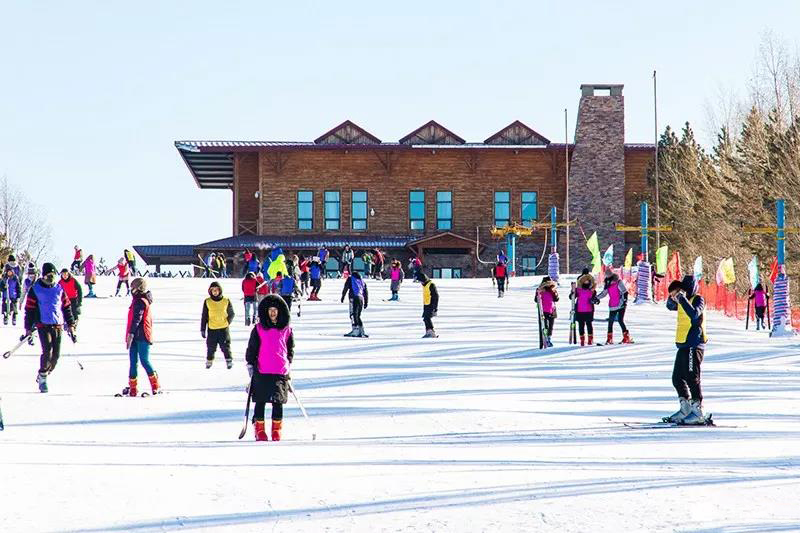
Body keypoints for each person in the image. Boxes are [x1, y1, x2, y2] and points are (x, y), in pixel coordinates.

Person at [245, 294, 294, 442]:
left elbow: (290, 349)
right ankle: (259, 430)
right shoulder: (259, 329)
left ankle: (276, 430)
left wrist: (288, 363)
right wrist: (250, 365)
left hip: (280, 371)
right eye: (270, 310)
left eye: (275, 310)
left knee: (278, 402)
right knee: (260, 401)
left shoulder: (286, 330)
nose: (273, 313)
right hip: (262, 370)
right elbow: (252, 348)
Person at [24, 263, 76, 393]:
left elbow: (67, 307)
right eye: (49, 275)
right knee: (47, 352)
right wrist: (28, 328)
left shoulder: (59, 289)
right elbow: (29, 309)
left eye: (53, 275)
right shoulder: (35, 289)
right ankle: (43, 378)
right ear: (43, 275)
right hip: (43, 325)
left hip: (57, 325)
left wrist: (71, 325)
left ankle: (46, 372)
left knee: (56, 356)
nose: (51, 278)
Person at [665, 275, 708, 425]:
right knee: (677, 378)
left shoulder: (697, 299)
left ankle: (698, 410)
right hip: (683, 344)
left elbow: (695, 315)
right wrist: (674, 298)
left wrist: (682, 299)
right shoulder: (681, 301)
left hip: (695, 343)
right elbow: (669, 305)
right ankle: (685, 408)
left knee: (692, 377)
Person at [125, 278, 160, 396]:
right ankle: (133, 387)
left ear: (138, 288)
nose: (131, 290)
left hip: (142, 335)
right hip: (135, 335)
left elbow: (137, 319)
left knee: (144, 360)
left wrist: (131, 334)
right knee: (133, 361)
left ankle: (155, 384)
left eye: (132, 287)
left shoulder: (140, 301)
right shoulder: (137, 300)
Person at [201, 281, 235, 369]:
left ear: (220, 290)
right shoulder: (207, 301)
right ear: (210, 291)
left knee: (225, 346)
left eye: (217, 290)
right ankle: (209, 360)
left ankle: (229, 360)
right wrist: (202, 329)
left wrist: (227, 322)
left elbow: (231, 313)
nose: (215, 292)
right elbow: (204, 316)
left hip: (223, 328)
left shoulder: (225, 301)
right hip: (212, 328)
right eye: (213, 290)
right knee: (211, 346)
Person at [598, 270, 633, 344]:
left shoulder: (618, 282)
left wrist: (625, 301)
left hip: (620, 304)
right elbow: (604, 293)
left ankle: (626, 337)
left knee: (620, 320)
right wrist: (596, 298)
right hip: (612, 305)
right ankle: (609, 339)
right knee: (610, 322)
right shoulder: (607, 284)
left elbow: (625, 292)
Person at [570, 272, 598, 346]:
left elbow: (595, 298)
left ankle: (590, 339)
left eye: (588, 281)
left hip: (589, 310)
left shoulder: (592, 290)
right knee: (581, 325)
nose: (586, 282)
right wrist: (572, 293)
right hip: (580, 310)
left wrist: (595, 300)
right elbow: (572, 297)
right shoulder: (578, 290)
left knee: (589, 324)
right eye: (585, 281)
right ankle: (582, 339)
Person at [341, 271, 369, 337]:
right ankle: (361, 330)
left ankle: (355, 330)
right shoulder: (362, 281)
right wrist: (366, 302)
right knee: (358, 315)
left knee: (353, 314)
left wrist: (343, 296)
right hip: (361, 299)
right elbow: (366, 292)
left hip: (353, 298)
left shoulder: (351, 279)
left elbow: (346, 287)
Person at [535, 277, 559, 346]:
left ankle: (548, 338)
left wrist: (553, 292)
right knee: (545, 326)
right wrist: (538, 293)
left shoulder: (553, 290)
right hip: (543, 310)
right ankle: (545, 338)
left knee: (551, 326)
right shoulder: (540, 290)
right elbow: (536, 300)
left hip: (552, 310)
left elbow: (556, 299)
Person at [416, 271, 439, 338]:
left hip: (431, 304)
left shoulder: (431, 285)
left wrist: (435, 307)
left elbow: (436, 296)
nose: (421, 283)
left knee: (427, 318)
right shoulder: (425, 285)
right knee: (425, 318)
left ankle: (431, 332)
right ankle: (428, 332)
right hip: (426, 304)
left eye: (421, 281)